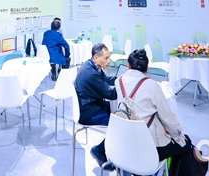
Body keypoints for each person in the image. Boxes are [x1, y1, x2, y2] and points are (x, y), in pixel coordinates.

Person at [114, 49, 193, 175]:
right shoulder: (151, 85)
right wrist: (179, 137)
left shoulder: (119, 81)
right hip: (150, 148)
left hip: (125, 142)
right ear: (147, 67)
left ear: (128, 65)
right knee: (186, 145)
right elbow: (168, 118)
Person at [75, 43, 117, 171]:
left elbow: (105, 79)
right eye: (106, 58)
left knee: (120, 114)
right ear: (96, 57)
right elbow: (111, 94)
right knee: (119, 124)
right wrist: (126, 84)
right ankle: (99, 150)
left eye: (109, 58)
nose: (109, 61)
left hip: (91, 104)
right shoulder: (91, 74)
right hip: (89, 112)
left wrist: (119, 79)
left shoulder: (91, 65)